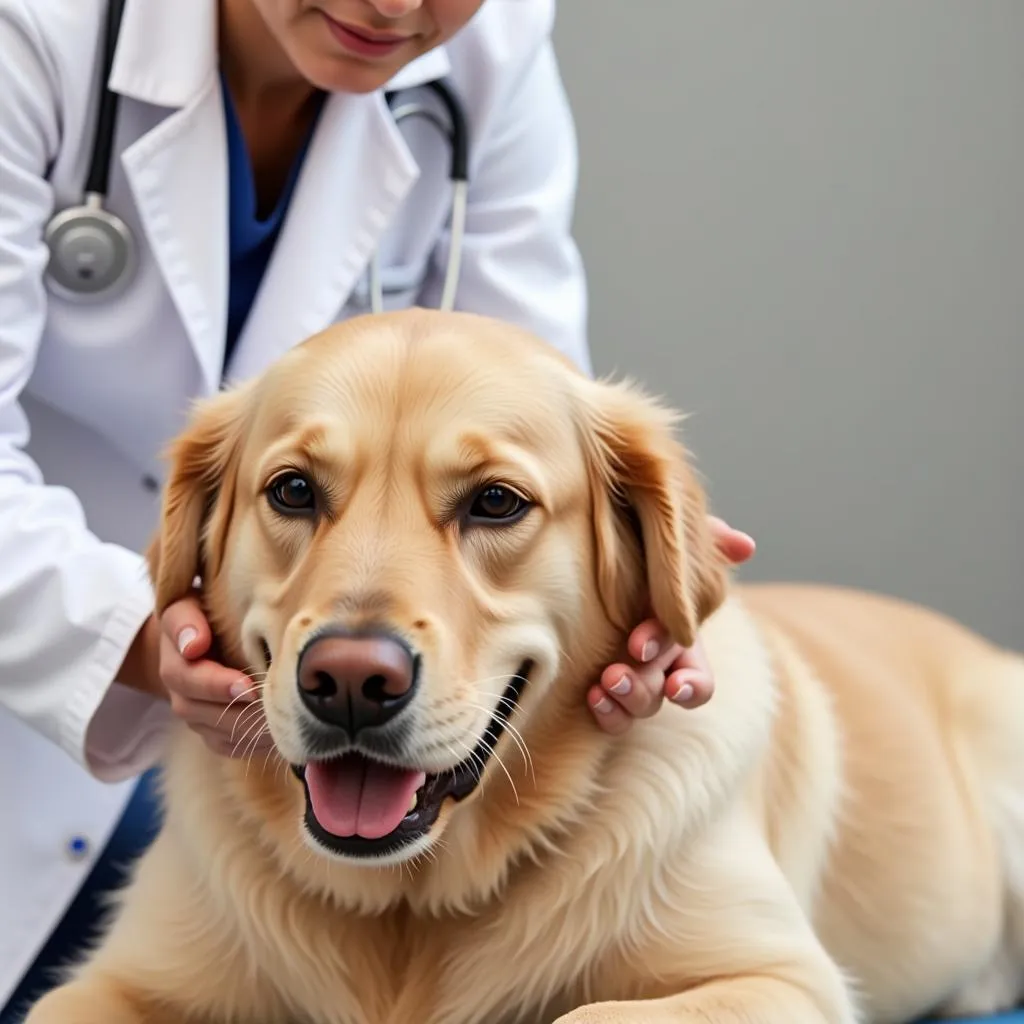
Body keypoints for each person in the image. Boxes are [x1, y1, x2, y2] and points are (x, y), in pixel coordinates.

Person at [0, 0, 755, 1018]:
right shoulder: (30, 31)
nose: (395, 5)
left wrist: (644, 605)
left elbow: (528, 405)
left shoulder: (489, 48)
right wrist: (143, 634)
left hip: (286, 761)